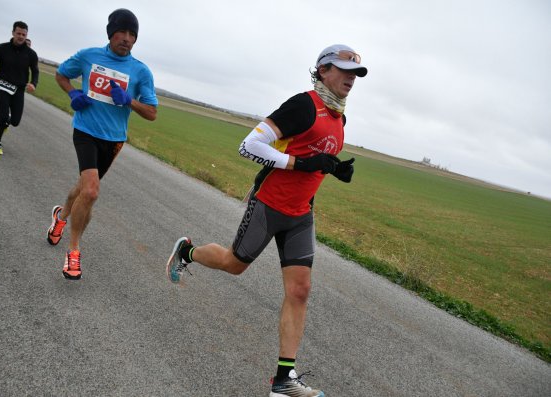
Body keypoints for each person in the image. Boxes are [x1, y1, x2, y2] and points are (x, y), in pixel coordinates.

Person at [166, 44, 367, 397]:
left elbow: (311, 153)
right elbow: (250, 145)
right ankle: (187, 251)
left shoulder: (340, 118)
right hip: (269, 205)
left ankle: (283, 381)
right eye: (344, 70)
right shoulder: (303, 105)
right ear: (323, 70)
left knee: (300, 291)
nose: (351, 78)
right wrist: (302, 165)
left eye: (356, 73)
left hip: (301, 213)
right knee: (233, 264)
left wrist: (333, 168)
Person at [47, 9, 157, 280]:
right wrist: (73, 92)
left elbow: (152, 113)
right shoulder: (89, 56)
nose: (128, 39)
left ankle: (61, 216)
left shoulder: (140, 71)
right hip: (85, 131)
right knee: (92, 192)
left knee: (84, 189)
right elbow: (61, 74)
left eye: (133, 35)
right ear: (111, 33)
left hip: (114, 140)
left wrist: (129, 101)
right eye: (123, 32)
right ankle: (73, 252)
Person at [0, 21, 39, 155]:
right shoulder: (1, 48)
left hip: (19, 89)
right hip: (3, 86)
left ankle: (6, 122)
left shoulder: (31, 54)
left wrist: (33, 83)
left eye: (23, 34)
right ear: (13, 33)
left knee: (15, 122)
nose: (21, 36)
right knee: (3, 116)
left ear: (26, 35)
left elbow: (35, 71)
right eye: (18, 33)